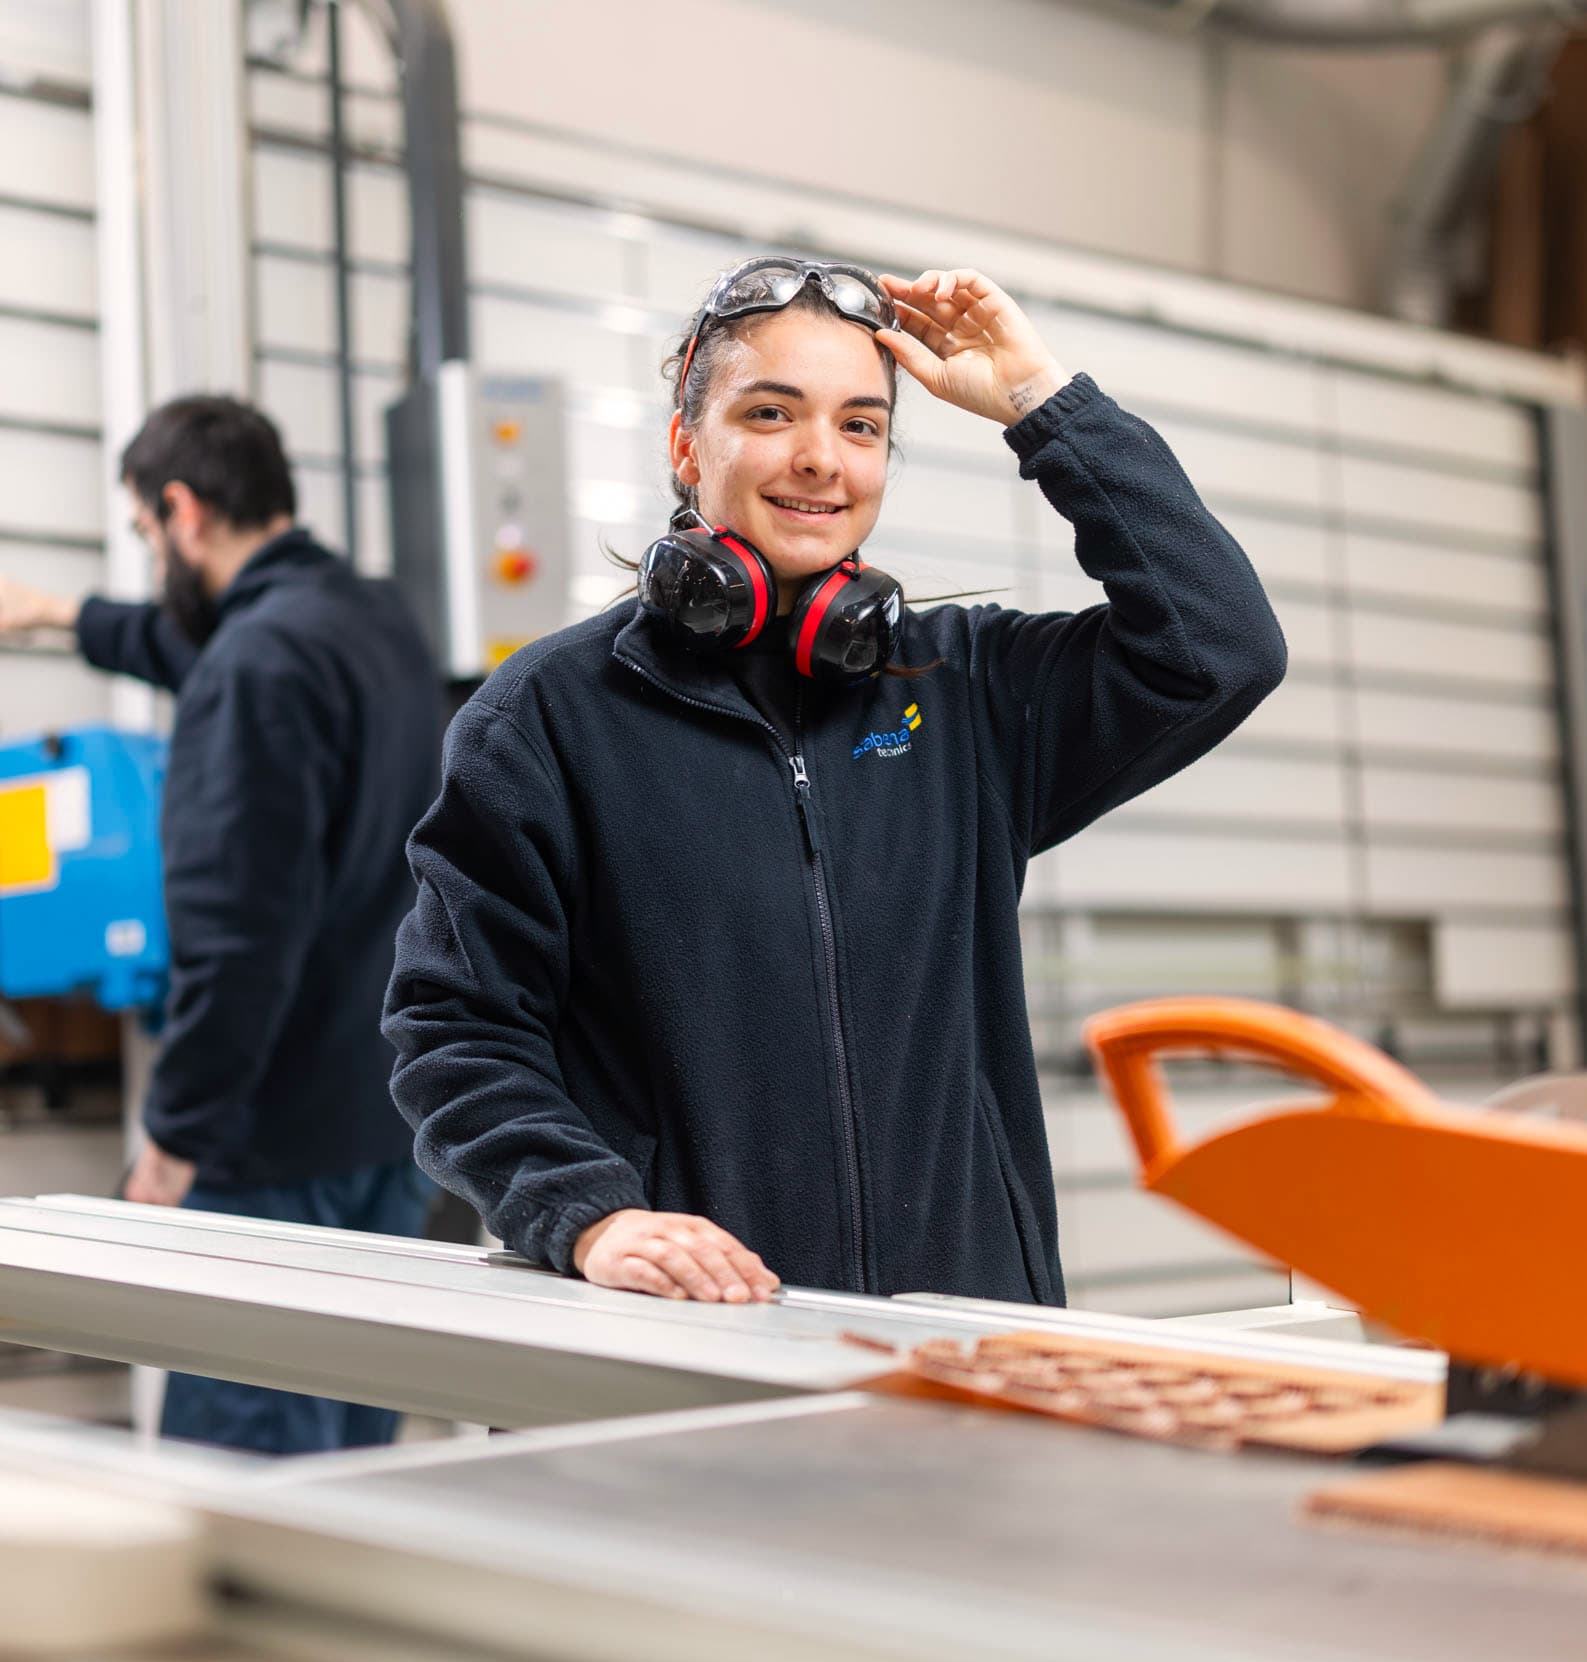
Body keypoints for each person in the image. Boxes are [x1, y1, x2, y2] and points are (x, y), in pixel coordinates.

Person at [384, 261, 1287, 1307]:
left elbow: (1217, 646)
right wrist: (588, 1212)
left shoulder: (963, 693)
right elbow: (455, 1029)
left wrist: (1045, 405)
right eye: (770, 413)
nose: (819, 459)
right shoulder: (547, 715)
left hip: (956, 1344)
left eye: (861, 426)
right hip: (686, 1340)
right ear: (685, 443)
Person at [0, 396, 445, 1450]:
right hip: (386, 1123)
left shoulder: (255, 665)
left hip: (269, 1145)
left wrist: (172, 1142)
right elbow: (196, 640)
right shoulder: (373, 622)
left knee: (240, 1483)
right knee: (350, 1464)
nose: (151, 555)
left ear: (181, 511)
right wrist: (57, 612)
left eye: (144, 531)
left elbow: (237, 941)